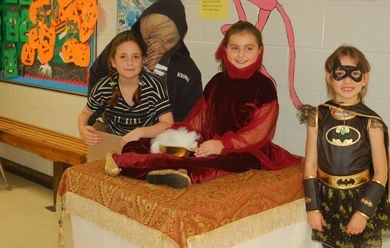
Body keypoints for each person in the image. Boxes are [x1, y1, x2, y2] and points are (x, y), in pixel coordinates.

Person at [105, 21, 300, 188]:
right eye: (234, 48)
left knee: (204, 166)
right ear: (225, 49)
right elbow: (199, 119)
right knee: (141, 145)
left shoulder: (264, 87)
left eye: (248, 48)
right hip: (209, 142)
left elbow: (259, 132)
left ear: (259, 51)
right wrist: (176, 135)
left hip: (246, 152)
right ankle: (141, 164)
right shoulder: (217, 81)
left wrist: (222, 145)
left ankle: (158, 171)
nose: (241, 55)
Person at [302, 45, 390, 248]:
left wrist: (362, 212)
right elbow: (310, 163)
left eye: (354, 75)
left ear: (365, 78)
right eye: (340, 74)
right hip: (326, 200)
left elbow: (381, 172)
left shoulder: (371, 122)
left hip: (356, 201)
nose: (347, 82)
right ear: (329, 77)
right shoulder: (317, 116)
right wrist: (313, 207)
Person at [89, 0, 202, 122]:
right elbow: (99, 73)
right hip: (116, 128)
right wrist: (100, 109)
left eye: (167, 40)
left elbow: (189, 111)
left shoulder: (185, 67)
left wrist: (171, 135)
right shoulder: (124, 44)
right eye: (151, 37)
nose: (157, 44)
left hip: (160, 135)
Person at [78, 30, 173, 147]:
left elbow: (168, 124)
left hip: (144, 148)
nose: (130, 62)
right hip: (114, 147)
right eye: (123, 57)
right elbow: (85, 114)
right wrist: (82, 129)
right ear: (113, 62)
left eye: (135, 57)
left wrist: (140, 132)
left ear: (143, 61)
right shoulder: (104, 86)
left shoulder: (154, 86)